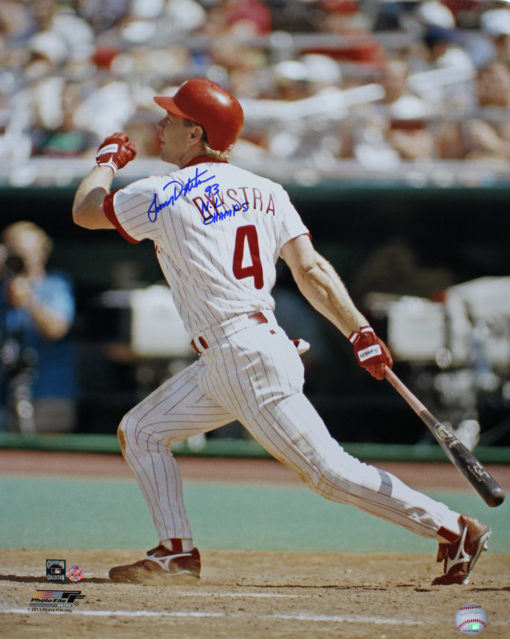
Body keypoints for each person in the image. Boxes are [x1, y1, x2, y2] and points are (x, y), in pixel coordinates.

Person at [72, 77, 491, 586]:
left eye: (173, 119)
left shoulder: (160, 191)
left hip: (242, 356)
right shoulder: (268, 190)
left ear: (197, 134)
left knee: (329, 473)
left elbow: (84, 212)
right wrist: (358, 331)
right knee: (142, 430)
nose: (161, 125)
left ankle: (453, 528)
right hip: (240, 352)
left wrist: (106, 163)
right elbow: (310, 269)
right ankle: (175, 552)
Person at [0, 222, 76, 433]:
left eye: (29, 251)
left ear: (43, 252)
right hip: (5, 396)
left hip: (48, 395)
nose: (23, 259)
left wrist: (28, 298)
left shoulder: (56, 284)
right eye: (16, 252)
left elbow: (56, 329)